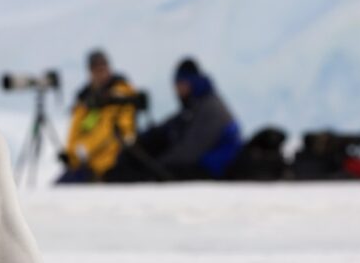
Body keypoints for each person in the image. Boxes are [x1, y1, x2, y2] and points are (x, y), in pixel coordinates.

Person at [105, 58, 242, 182]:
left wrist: (155, 166)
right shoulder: (194, 107)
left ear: (192, 82)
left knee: (151, 174)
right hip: (201, 165)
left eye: (180, 85)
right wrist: (139, 144)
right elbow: (166, 129)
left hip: (215, 170)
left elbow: (190, 151)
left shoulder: (210, 109)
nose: (177, 90)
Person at [58, 49, 138, 183]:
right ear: (90, 72)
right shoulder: (86, 101)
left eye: (103, 68)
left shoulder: (119, 96)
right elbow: (76, 132)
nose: (100, 73)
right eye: (96, 69)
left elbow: (114, 132)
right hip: (84, 165)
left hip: (109, 165)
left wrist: (82, 150)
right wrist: (72, 155)